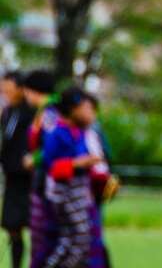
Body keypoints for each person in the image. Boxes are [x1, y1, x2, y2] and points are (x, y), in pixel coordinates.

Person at [42, 86, 107, 267]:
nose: (89, 112)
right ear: (72, 109)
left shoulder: (78, 132)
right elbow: (51, 167)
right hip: (64, 192)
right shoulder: (57, 133)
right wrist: (79, 163)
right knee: (80, 237)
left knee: (75, 239)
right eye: (85, 108)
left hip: (80, 192)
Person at [21, 69, 60, 268]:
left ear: (33, 91)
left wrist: (33, 159)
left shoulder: (51, 112)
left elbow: (53, 147)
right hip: (44, 181)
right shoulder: (45, 111)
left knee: (44, 237)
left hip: (49, 182)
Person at [1, 71, 35, 268]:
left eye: (8, 88)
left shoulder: (30, 113)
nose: (4, 91)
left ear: (21, 90)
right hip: (12, 177)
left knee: (35, 225)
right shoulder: (7, 113)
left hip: (27, 178)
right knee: (12, 227)